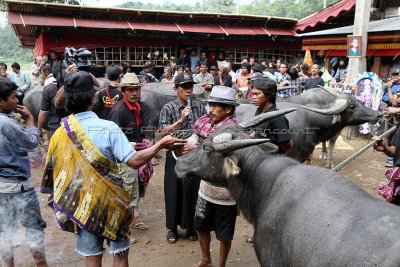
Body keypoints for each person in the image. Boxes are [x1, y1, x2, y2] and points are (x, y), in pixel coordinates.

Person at [42, 71, 186, 267]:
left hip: (82, 206)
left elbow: (54, 173)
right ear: (93, 98)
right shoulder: (108, 128)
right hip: (111, 202)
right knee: (119, 256)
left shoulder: (60, 133)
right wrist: (161, 145)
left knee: (92, 258)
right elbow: (134, 161)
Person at [182, 86, 239, 267]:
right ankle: (206, 259)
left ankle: (221, 265)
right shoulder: (206, 122)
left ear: (228, 109)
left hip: (226, 193)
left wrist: (196, 149)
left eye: (215, 106)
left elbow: (221, 156)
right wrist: (189, 143)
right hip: (206, 188)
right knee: (201, 226)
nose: (211, 109)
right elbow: (196, 136)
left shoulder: (234, 131)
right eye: (211, 105)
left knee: (224, 233)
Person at [0, 79, 48, 267]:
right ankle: (42, 265)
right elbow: (30, 142)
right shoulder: (6, 123)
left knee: (5, 230)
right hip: (18, 186)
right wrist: (30, 120)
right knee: (33, 228)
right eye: (12, 97)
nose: (16, 100)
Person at [159, 73, 206, 244]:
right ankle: (172, 229)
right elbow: (162, 133)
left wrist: (195, 145)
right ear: (175, 89)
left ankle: (192, 227)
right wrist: (180, 121)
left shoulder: (200, 108)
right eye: (184, 87)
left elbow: (206, 132)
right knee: (173, 190)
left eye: (190, 86)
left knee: (194, 191)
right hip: (174, 155)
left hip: (194, 154)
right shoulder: (168, 108)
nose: (188, 90)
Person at [108, 72, 151, 236]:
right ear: (123, 91)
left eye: (136, 90)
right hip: (123, 157)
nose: (134, 93)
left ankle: (132, 220)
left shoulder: (139, 107)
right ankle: (122, 229)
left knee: (135, 188)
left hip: (136, 154)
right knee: (125, 191)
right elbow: (113, 137)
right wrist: (127, 144)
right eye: (130, 90)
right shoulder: (118, 110)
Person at [250, 77, 293, 153]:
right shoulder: (259, 111)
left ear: (268, 95)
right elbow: (258, 132)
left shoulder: (278, 118)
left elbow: (288, 145)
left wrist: (274, 156)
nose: (253, 97)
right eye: (253, 94)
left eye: (257, 94)